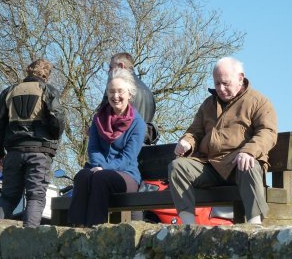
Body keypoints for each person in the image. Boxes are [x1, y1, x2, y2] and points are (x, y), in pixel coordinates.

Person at [168, 56, 278, 225]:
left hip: (237, 166)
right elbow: (194, 131)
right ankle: (188, 228)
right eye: (217, 83)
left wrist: (249, 151)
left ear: (240, 78)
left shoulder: (258, 102)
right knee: (178, 166)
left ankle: (255, 227)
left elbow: (268, 132)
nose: (220, 88)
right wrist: (187, 141)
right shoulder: (208, 104)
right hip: (209, 166)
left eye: (225, 83)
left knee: (249, 165)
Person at [0, 58, 65, 228]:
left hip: (14, 152)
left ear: (29, 70)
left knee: (8, 197)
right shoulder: (47, 90)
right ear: (46, 74)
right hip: (39, 152)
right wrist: (54, 136)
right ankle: (28, 239)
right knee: (35, 196)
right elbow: (58, 121)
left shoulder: (9, 91)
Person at [68, 68, 146, 227]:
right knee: (82, 176)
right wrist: (98, 166)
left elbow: (127, 158)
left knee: (100, 178)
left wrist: (104, 168)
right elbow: (94, 149)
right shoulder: (98, 119)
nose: (115, 96)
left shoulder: (138, 124)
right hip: (99, 170)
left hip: (126, 175)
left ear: (129, 94)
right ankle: (74, 231)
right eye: (111, 91)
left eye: (120, 91)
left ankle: (94, 231)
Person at [99, 52, 158, 145]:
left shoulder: (115, 91)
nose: (108, 71)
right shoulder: (149, 93)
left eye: (111, 67)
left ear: (121, 66)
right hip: (144, 150)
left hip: (118, 149)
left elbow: (102, 121)